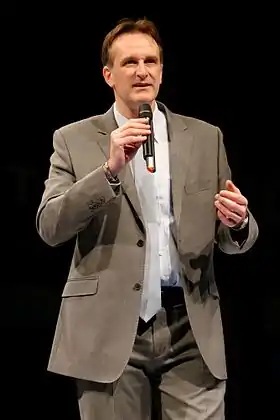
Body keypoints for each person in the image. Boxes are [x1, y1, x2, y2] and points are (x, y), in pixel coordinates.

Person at [36, 17, 259, 420]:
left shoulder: (206, 137)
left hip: (190, 327)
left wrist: (238, 222)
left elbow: (231, 232)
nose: (142, 71)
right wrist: (108, 171)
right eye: (129, 62)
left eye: (151, 61)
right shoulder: (73, 139)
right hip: (109, 330)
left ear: (161, 69)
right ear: (108, 75)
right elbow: (50, 227)